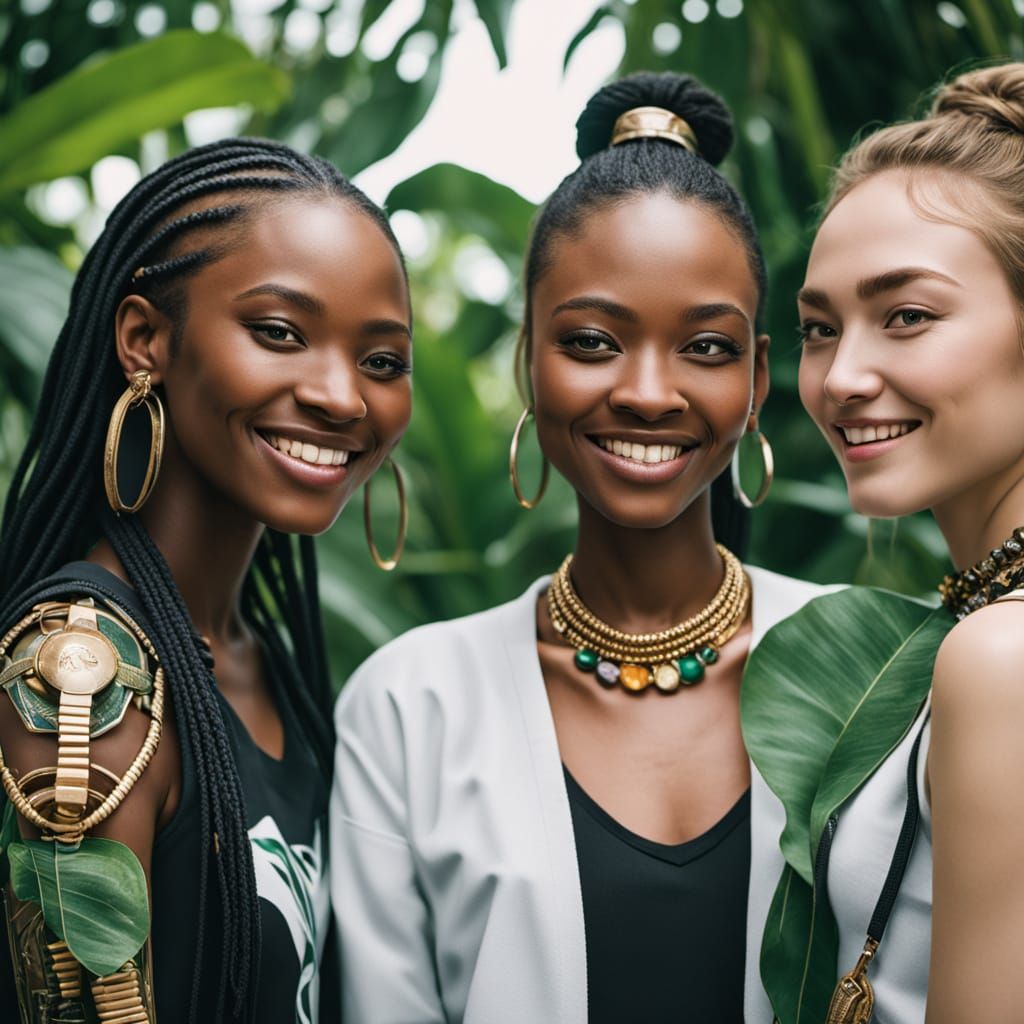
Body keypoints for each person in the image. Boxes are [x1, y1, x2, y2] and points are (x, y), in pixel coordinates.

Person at [330, 72, 828, 1024]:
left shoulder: (873, 677)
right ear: (529, 360)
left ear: (760, 378)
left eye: (708, 347)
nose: (647, 391)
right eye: (593, 341)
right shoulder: (408, 708)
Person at [0, 137, 412, 1024]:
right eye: (279, 333)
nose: (344, 397)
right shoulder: (83, 672)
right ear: (145, 339)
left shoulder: (273, 672)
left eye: (381, 360)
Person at [795, 63, 1024, 1023]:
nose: (843, 376)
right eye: (817, 328)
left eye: (907, 317)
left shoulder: (999, 656)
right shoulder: (975, 625)